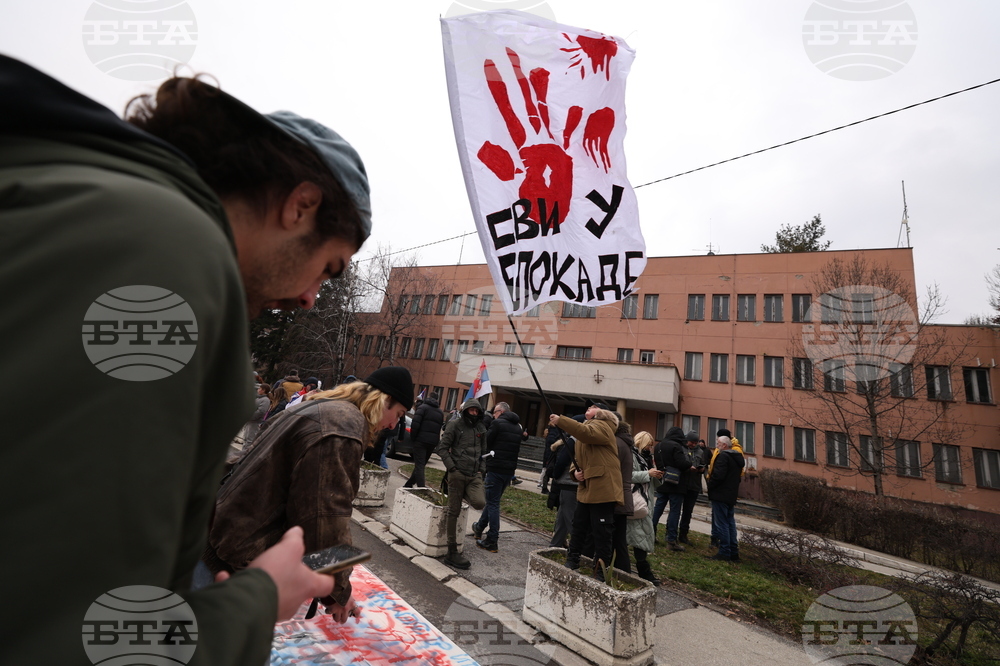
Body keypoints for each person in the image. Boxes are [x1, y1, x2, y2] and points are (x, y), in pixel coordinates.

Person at [1, 55, 373, 665]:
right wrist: (257, 602)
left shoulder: (97, 205)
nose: (309, 300)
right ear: (300, 205)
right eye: (327, 268)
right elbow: (80, 636)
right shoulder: (166, 251)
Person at [206, 367, 412, 619]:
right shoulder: (344, 427)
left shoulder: (320, 407)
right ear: (383, 400)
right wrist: (338, 592)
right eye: (398, 414)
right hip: (230, 557)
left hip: (215, 530)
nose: (392, 425)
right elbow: (324, 516)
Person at [548, 405, 622, 581]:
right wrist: (575, 472)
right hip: (587, 488)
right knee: (579, 526)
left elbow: (586, 433)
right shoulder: (586, 430)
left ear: (601, 413)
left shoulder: (604, 426)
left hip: (603, 488)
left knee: (602, 531)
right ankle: (572, 560)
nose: (589, 407)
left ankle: (601, 570)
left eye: (593, 406)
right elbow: (578, 458)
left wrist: (562, 420)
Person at [435, 399, 489, 569]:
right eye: (471, 410)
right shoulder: (455, 425)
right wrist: (452, 468)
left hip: (474, 475)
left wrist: (481, 470)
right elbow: (442, 448)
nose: (474, 413)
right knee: (454, 511)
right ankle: (452, 552)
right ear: (465, 411)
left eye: (476, 411)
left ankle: (460, 493)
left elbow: (484, 452)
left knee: (480, 503)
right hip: (457, 474)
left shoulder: (481, 428)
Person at [472, 402, 526, 553]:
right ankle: (480, 527)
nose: (493, 414)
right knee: (493, 501)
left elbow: (486, 443)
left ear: (501, 412)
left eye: (495, 412)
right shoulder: (518, 427)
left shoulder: (497, 423)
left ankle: (492, 540)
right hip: (509, 471)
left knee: (493, 503)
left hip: (495, 468)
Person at [651, 426, 693, 551]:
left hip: (662, 481)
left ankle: (650, 534)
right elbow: (681, 463)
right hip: (676, 484)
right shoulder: (676, 446)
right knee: (674, 511)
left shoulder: (658, 446)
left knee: (657, 509)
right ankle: (671, 540)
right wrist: (690, 463)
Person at [628, 431, 662, 584]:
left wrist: (656, 476)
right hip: (636, 500)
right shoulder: (632, 455)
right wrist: (648, 473)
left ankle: (640, 570)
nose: (650, 447)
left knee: (638, 535)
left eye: (651, 445)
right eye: (648, 444)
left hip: (644, 499)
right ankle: (643, 571)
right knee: (637, 535)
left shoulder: (647, 457)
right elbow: (627, 475)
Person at [707, 435, 745, 562]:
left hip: (720, 494)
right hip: (731, 495)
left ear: (724, 445)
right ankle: (733, 552)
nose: (716, 445)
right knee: (730, 524)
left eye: (718, 443)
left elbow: (718, 476)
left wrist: (710, 486)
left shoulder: (723, 456)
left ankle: (724, 552)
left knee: (722, 524)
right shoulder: (737, 457)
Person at [610, 415, 635, 574]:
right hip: (623, 497)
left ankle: (622, 574)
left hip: (615, 496)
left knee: (615, 540)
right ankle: (624, 573)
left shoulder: (616, 443)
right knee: (619, 540)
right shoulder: (624, 443)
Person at [404, 391, 444, 488]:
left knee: (419, 465)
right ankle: (408, 484)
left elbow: (415, 425)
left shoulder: (422, 408)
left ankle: (421, 488)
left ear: (428, 397)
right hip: (432, 442)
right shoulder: (440, 412)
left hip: (420, 441)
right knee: (421, 464)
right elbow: (439, 429)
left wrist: (414, 438)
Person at [678, 431, 709, 545]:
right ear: (687, 441)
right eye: (692, 442)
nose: (694, 444)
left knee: (688, 511)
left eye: (696, 442)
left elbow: (703, 464)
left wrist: (701, 469)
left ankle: (683, 534)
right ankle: (670, 532)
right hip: (681, 484)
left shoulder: (700, 452)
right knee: (676, 510)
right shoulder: (681, 449)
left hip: (694, 485)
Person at [547, 434, 578, 548]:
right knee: (562, 518)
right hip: (573, 483)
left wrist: (556, 475)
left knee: (570, 518)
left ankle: (576, 550)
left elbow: (562, 461)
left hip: (569, 483)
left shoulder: (574, 440)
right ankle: (555, 544)